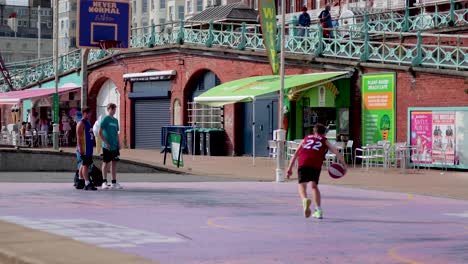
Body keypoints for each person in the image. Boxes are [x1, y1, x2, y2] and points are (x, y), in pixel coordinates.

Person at [286, 123, 346, 219]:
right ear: (324, 133)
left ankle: (305, 200)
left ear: (314, 131)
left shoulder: (306, 138)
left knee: (302, 184)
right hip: (315, 163)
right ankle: (318, 210)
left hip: (303, 161)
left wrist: (289, 168)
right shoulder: (324, 140)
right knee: (314, 186)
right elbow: (335, 151)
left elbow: (296, 153)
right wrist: (344, 165)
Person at [99, 103, 122, 190]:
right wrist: (105, 142)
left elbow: (116, 133)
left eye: (115, 109)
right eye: (112, 109)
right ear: (108, 109)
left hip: (114, 146)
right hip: (107, 146)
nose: (114, 111)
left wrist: (119, 143)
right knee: (105, 163)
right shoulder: (105, 119)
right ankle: (104, 182)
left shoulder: (116, 121)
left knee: (114, 163)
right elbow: (100, 132)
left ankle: (114, 182)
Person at [76, 108, 97, 191]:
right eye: (88, 113)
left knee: (84, 164)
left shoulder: (88, 122)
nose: (90, 115)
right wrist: (80, 148)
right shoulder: (81, 123)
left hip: (89, 147)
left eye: (90, 113)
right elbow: (78, 137)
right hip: (84, 148)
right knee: (85, 165)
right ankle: (87, 183)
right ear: (84, 113)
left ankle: (81, 180)